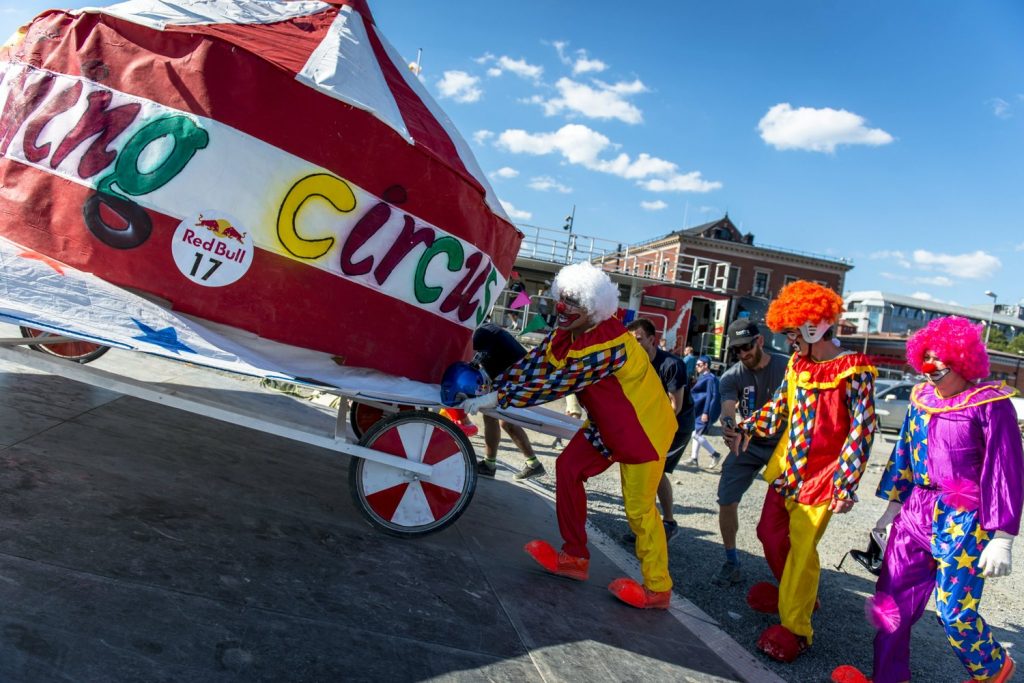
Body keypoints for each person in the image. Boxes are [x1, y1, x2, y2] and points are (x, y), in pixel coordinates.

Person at [463, 262, 678, 609]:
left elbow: (559, 383)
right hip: (609, 426)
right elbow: (537, 363)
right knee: (568, 468)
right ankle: (575, 557)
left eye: (573, 302)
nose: (562, 308)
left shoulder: (608, 344)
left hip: (644, 432)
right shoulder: (569, 333)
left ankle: (658, 589)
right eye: (562, 299)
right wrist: (494, 384)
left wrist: (499, 398)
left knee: (639, 510)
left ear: (594, 307)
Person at [832, 317, 1022, 683]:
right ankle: (889, 677)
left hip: (966, 516)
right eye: (926, 358)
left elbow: (1004, 470)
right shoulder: (920, 401)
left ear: (963, 359)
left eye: (940, 358)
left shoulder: (992, 405)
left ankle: (993, 669)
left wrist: (1003, 538)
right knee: (890, 602)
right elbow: (903, 454)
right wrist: (890, 509)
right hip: (915, 512)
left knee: (954, 613)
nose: (930, 367)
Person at [732, 280, 876, 663]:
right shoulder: (799, 364)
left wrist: (845, 485)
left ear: (813, 327)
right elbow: (780, 406)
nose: (791, 339)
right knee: (767, 533)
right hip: (787, 471)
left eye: (794, 332)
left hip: (823, 477)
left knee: (800, 550)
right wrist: (748, 425)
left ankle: (796, 629)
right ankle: (793, 596)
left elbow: (862, 431)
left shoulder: (854, 370)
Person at [713, 319, 788, 587]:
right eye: (736, 350)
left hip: (784, 445)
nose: (742, 354)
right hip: (748, 441)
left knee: (792, 508)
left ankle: (790, 570)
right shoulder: (731, 376)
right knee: (726, 498)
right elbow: (728, 408)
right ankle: (731, 560)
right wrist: (729, 427)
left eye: (745, 347)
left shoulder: (787, 366)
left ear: (759, 341)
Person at [625, 317, 696, 544]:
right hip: (651, 423)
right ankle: (645, 525)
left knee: (654, 470)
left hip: (677, 426)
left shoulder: (672, 365)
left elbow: (675, 408)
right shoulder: (634, 364)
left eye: (638, 340)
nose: (634, 345)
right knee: (645, 471)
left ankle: (668, 523)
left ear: (652, 340)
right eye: (630, 341)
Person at [471, 323, 546, 480]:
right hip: (513, 372)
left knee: (506, 421)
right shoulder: (485, 330)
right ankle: (490, 463)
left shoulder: (481, 335)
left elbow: (473, 363)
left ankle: (533, 464)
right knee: (491, 416)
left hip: (517, 376)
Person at [689, 355, 721, 467]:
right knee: (696, 433)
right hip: (699, 411)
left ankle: (715, 454)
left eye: (699, 365)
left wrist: (706, 413)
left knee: (695, 434)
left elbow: (710, 396)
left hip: (703, 412)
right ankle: (694, 459)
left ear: (706, 365)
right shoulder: (704, 377)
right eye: (696, 365)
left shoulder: (710, 378)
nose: (696, 367)